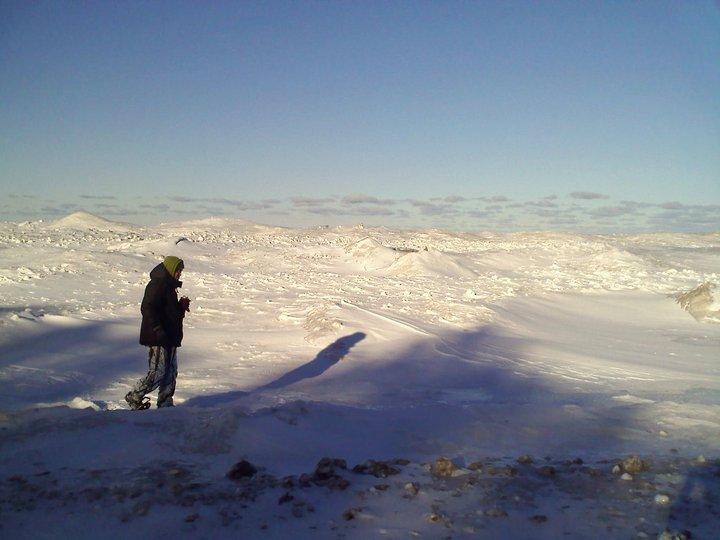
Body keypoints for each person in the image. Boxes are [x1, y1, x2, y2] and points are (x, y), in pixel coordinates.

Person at [125, 256, 190, 410]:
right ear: (170, 269)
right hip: (159, 337)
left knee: (171, 372)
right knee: (158, 372)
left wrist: (180, 307)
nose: (180, 273)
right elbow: (147, 308)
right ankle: (134, 395)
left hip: (170, 337)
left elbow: (170, 314)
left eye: (181, 270)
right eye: (178, 270)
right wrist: (157, 329)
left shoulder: (169, 286)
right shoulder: (158, 284)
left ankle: (166, 403)